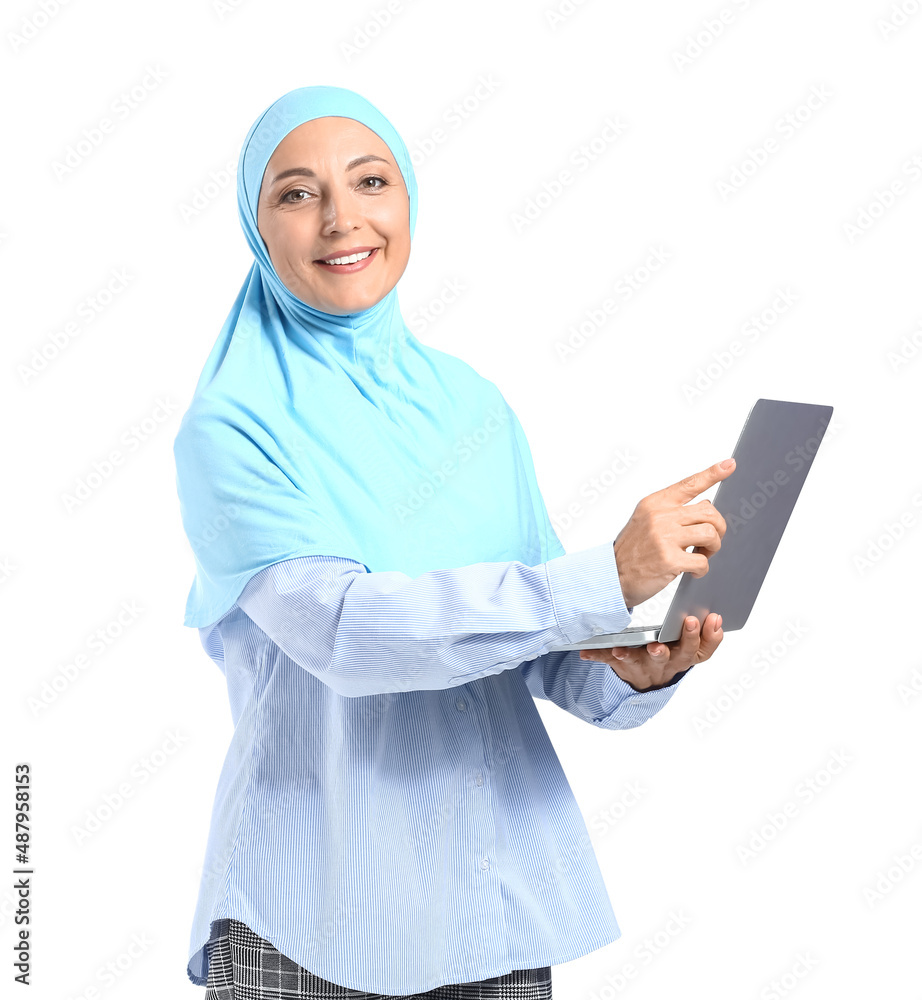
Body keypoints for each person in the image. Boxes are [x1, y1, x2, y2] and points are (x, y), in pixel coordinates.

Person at [172, 85, 733, 1000]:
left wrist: (634, 666)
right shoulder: (231, 429)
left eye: (370, 181)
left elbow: (545, 646)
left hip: (492, 902)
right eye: (297, 192)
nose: (342, 218)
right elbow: (349, 637)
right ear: (256, 226)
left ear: (409, 203)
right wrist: (606, 576)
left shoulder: (470, 405)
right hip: (310, 914)